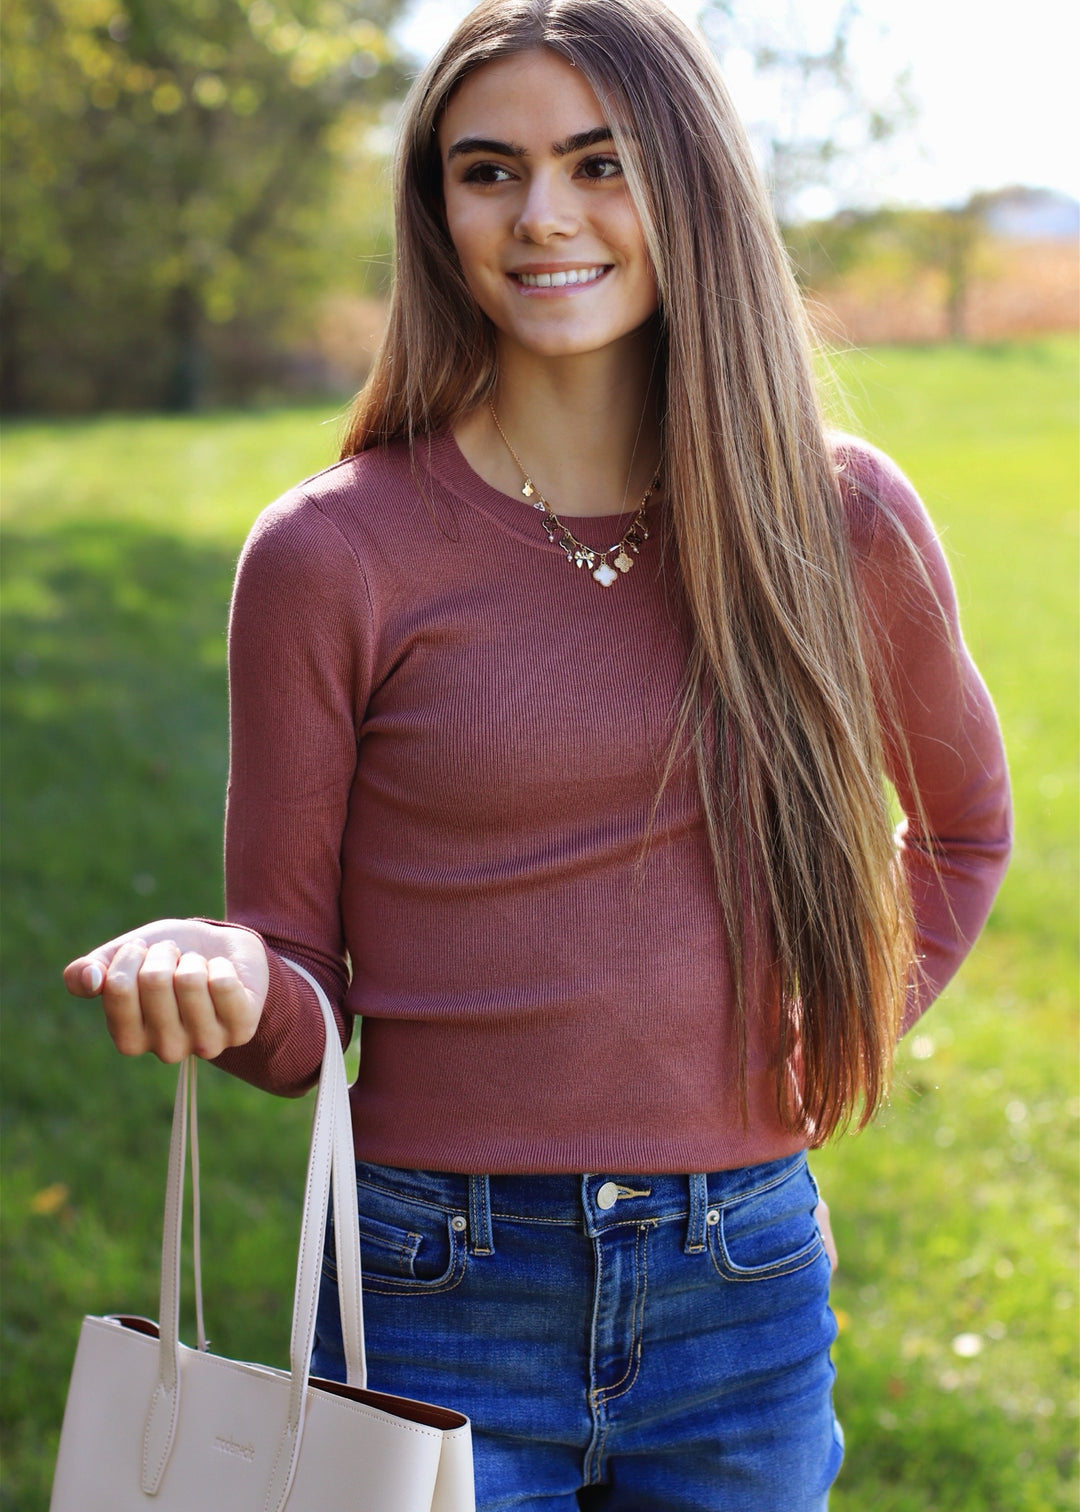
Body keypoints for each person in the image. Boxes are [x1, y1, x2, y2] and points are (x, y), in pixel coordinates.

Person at [64, 1, 1012, 1506]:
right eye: (488, 170)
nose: (543, 216)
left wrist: (836, 1041)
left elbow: (960, 832)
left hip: (744, 1281)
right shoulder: (332, 553)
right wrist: (235, 979)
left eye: (597, 162)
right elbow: (304, 996)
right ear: (437, 210)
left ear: (688, 180)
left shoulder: (836, 521)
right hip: (429, 1289)